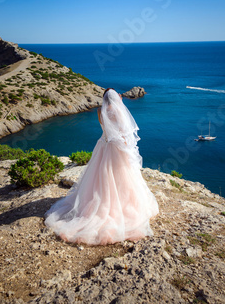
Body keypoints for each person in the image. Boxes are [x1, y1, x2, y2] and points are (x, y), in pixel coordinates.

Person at [44, 88, 159, 245]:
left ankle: (95, 204)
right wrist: (127, 149)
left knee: (100, 178)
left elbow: (106, 128)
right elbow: (123, 132)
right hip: (115, 148)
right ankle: (118, 207)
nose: (120, 95)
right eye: (118, 95)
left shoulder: (100, 110)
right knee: (122, 177)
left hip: (103, 145)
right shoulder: (118, 110)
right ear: (114, 98)